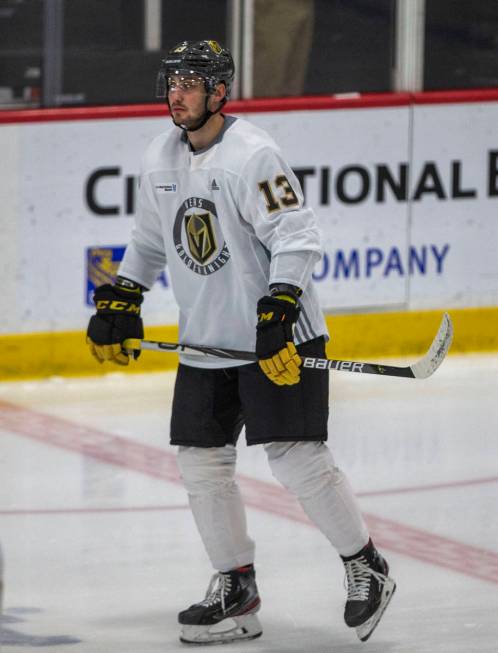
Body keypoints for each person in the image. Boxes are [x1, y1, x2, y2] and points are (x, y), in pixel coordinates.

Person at [86, 39, 396, 645]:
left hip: (277, 339)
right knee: (200, 464)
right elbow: (150, 240)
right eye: (171, 82)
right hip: (206, 341)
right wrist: (123, 295)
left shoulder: (253, 154)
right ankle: (236, 588)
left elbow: (298, 237)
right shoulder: (159, 156)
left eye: (190, 83)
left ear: (220, 92)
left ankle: (366, 566)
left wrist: (279, 309)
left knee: (297, 457)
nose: (177, 94)